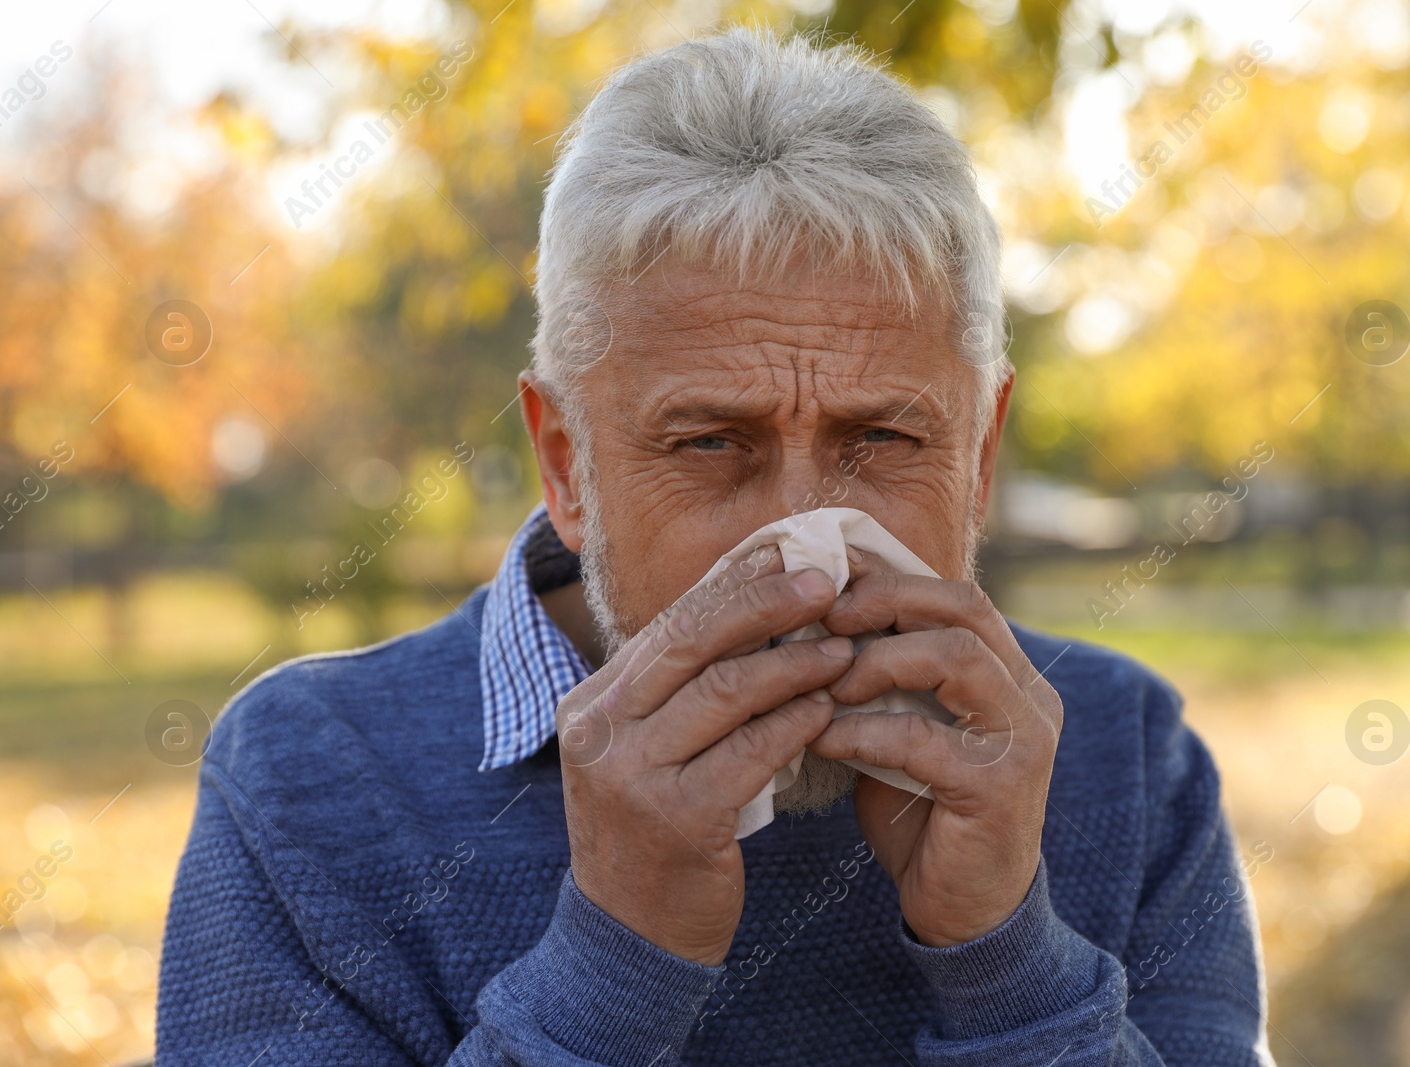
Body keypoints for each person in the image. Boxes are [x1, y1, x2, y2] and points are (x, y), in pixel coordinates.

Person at [156, 23, 1273, 1066]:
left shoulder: (1126, 757)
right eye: (707, 442)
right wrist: (614, 958)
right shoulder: (308, 785)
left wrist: (1006, 959)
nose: (799, 555)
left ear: (977, 458)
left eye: (880, 438)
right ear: (565, 462)